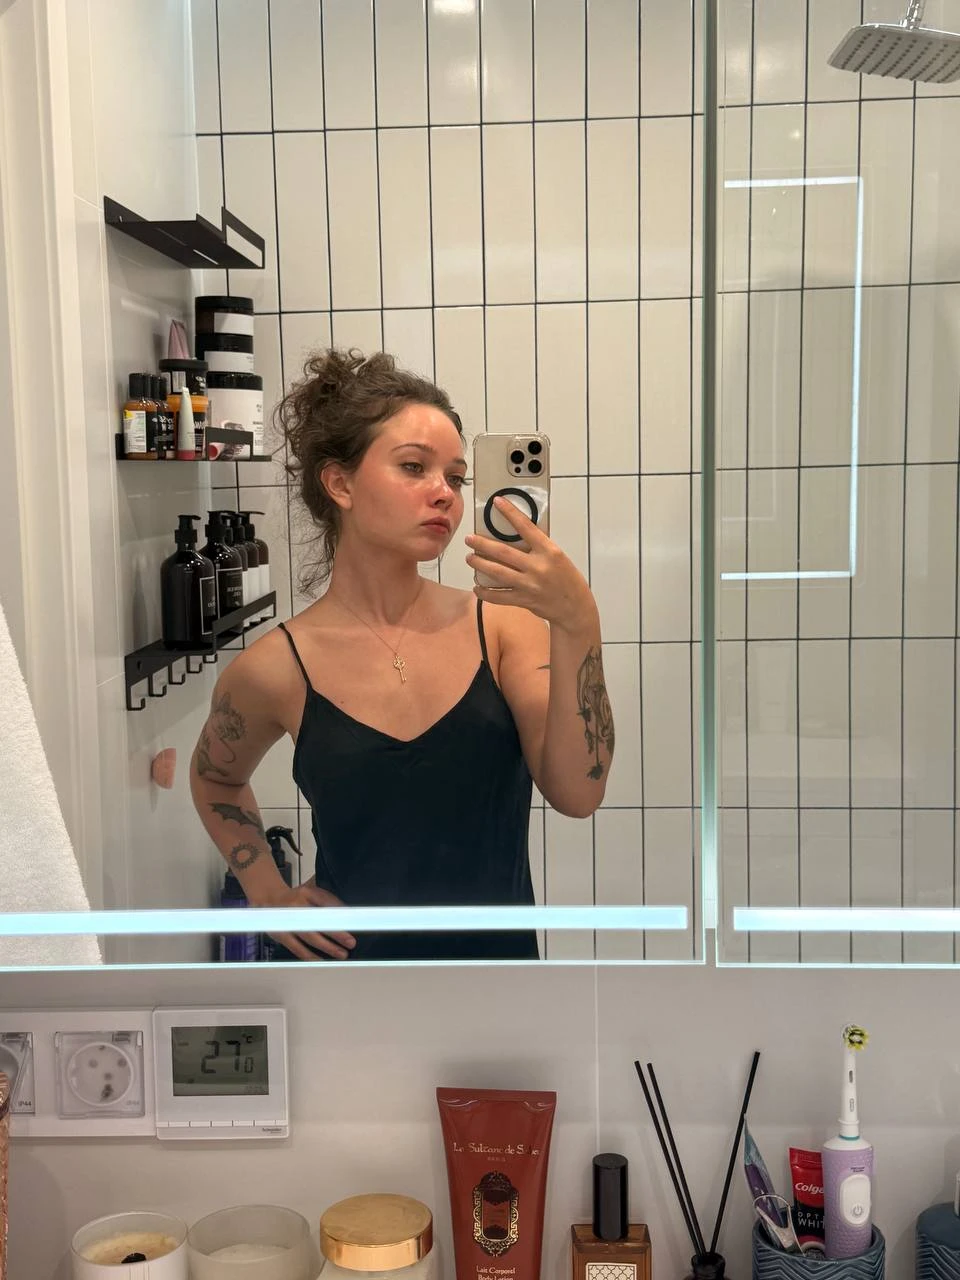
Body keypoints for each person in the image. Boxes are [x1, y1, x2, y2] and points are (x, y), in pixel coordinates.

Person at [190, 349, 615, 961]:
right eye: (414, 467)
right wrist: (266, 890)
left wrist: (578, 621)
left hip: (497, 983)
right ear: (339, 483)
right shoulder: (276, 667)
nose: (444, 494)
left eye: (456, 478)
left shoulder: (501, 630)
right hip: (345, 979)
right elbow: (215, 777)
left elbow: (579, 795)